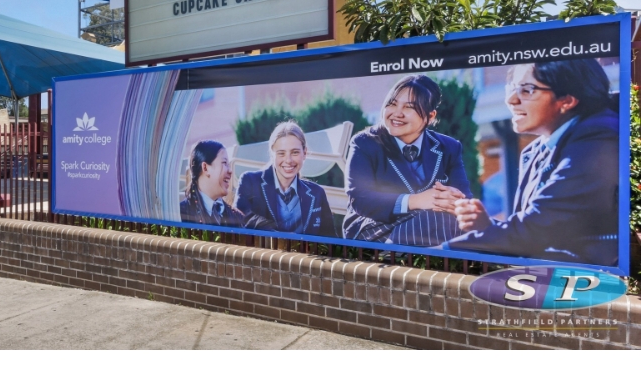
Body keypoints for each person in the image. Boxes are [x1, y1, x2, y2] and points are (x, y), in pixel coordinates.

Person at [447, 59, 619, 266]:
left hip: (593, 279)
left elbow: (535, 232)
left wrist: (442, 250)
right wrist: (487, 227)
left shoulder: (598, 137)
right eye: (512, 88)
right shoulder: (535, 150)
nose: (511, 100)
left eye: (527, 90)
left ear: (567, 100)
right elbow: (535, 230)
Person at [343, 74, 472, 245]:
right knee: (434, 220)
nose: (397, 113)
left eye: (409, 107)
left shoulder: (449, 147)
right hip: (374, 227)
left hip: (433, 225)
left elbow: (464, 198)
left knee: (475, 227)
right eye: (392, 104)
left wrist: (451, 201)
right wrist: (416, 201)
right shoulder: (364, 143)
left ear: (430, 116)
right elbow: (360, 199)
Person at [235, 121, 336, 237]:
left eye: (295, 152)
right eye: (281, 153)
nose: (288, 160)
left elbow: (330, 239)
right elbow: (241, 221)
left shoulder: (317, 193)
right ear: (272, 155)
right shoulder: (250, 182)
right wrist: (283, 239)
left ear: (305, 153)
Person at [180, 140, 244, 227]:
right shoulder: (181, 215)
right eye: (224, 163)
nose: (230, 171)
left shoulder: (237, 218)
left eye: (228, 165)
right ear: (205, 168)